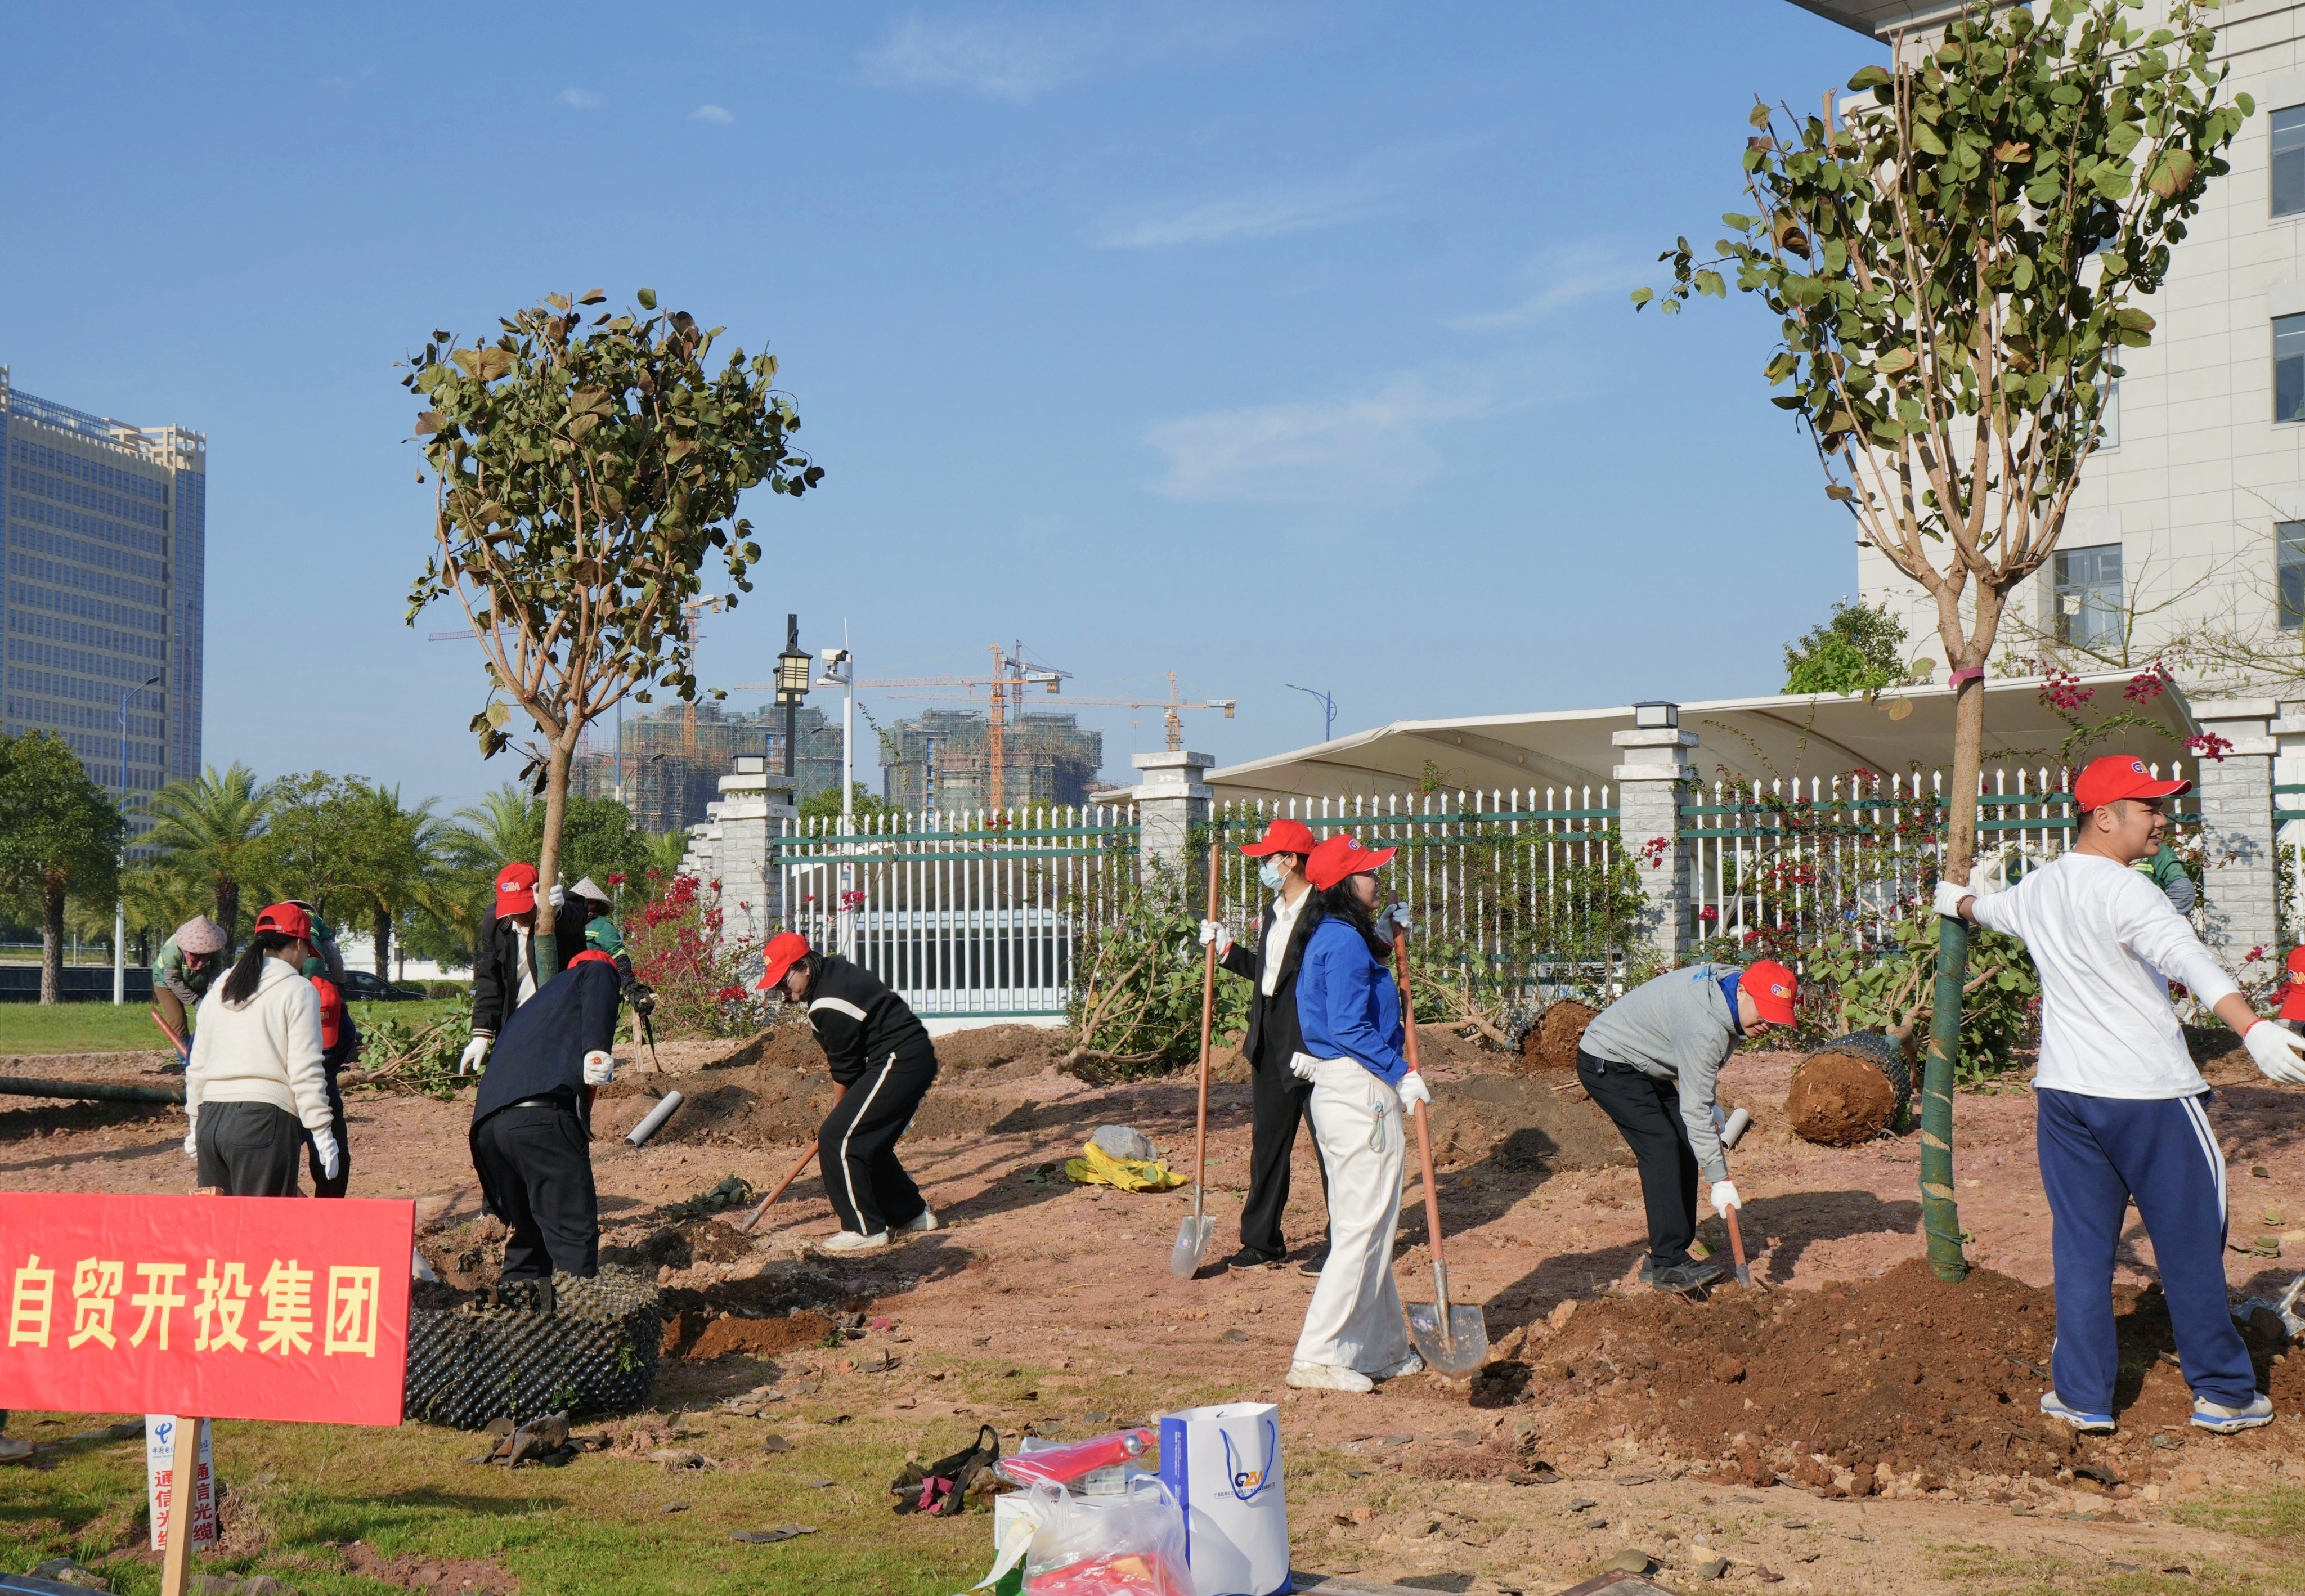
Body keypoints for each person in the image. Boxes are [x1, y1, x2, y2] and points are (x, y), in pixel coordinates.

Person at [1939, 752, 2305, 1435]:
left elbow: (1984, 908)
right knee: (2191, 1241)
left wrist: (1951, 900)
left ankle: (2081, 1396)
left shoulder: (2042, 886)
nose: (2162, 820)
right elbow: (2185, 957)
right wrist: (2251, 1027)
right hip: (2149, 1097)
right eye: (2149, 807)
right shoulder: (2127, 888)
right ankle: (2225, 1393)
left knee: (2081, 1246)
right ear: (2103, 818)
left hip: (2066, 1097)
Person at [1285, 832, 1424, 1394]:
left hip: (1346, 1088)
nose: (1378, 880)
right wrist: (1400, 1072)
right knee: (1363, 1227)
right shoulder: (1340, 942)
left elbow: (1354, 994)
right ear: (1344, 883)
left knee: (1368, 1226)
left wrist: (1390, 941)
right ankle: (1319, 1353)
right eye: (1368, 873)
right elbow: (1346, 1025)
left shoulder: (1339, 935)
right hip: (1359, 1088)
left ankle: (1380, 1347)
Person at [1575, 957, 1797, 1293]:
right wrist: (1719, 1178)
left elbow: (1696, 1084)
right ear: (1743, 992)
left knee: (1684, 1139)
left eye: (1776, 1017)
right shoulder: (1704, 1027)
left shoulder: (1727, 993)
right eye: (1764, 1011)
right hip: (1608, 1059)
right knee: (1662, 1145)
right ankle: (1669, 1263)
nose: (1768, 1023)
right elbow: (1695, 1103)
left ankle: (1668, 1255)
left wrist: (1709, 1106)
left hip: (1645, 1060)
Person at [1200, 818, 1336, 1274]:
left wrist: (1384, 937)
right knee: (1268, 1144)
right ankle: (1262, 1240)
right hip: (1269, 1036)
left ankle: (1343, 1242)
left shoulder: (1324, 911)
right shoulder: (1276, 910)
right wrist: (1228, 952)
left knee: (1330, 1145)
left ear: (1291, 860)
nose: (1262, 864)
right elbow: (1272, 975)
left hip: (1312, 1040)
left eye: (1268, 858)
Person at [755, 933, 940, 1254]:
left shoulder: (827, 1004)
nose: (781, 989)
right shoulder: (833, 972)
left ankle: (862, 1228)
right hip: (909, 1057)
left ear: (805, 968)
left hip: (899, 1059)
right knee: (867, 1140)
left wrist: (839, 1118)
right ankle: (911, 1215)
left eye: (784, 980)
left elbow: (846, 1071)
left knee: (839, 1138)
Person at [468, 951, 625, 1279]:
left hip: (489, 1131)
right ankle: (579, 1326)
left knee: (531, 1240)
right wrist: (597, 1048)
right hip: (540, 1123)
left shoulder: (535, 1007)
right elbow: (599, 978)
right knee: (572, 1237)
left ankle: (523, 1322)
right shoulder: (596, 972)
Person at [183, 902, 340, 1198]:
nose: (307, 957)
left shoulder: (220, 987)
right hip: (263, 1123)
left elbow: (197, 1064)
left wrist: (194, 1123)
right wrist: (322, 1132)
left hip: (211, 1122)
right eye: (308, 949)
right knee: (266, 1233)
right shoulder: (299, 990)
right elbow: (305, 1070)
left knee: (221, 1231)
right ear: (297, 943)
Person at [461, 863, 572, 1074]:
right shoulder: (495, 926)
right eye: (512, 910)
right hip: (516, 1021)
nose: (518, 917)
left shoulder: (561, 910)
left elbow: (577, 915)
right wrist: (482, 1033)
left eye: (524, 908)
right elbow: (489, 981)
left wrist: (557, 913)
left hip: (560, 1020)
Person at [299, 952, 360, 1198]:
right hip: (281, 1095)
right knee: (274, 1167)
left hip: (323, 1090)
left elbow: (322, 1073)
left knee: (335, 1163)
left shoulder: (345, 1030)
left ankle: (328, 1211)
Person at [152, 915, 228, 1051]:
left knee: (212, 1017)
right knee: (178, 1021)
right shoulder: (173, 950)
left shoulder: (215, 950)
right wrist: (196, 1001)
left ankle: (207, 1053)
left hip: (200, 979)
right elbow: (173, 980)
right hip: (167, 983)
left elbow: (214, 976)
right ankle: (186, 1059)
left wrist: (211, 999)